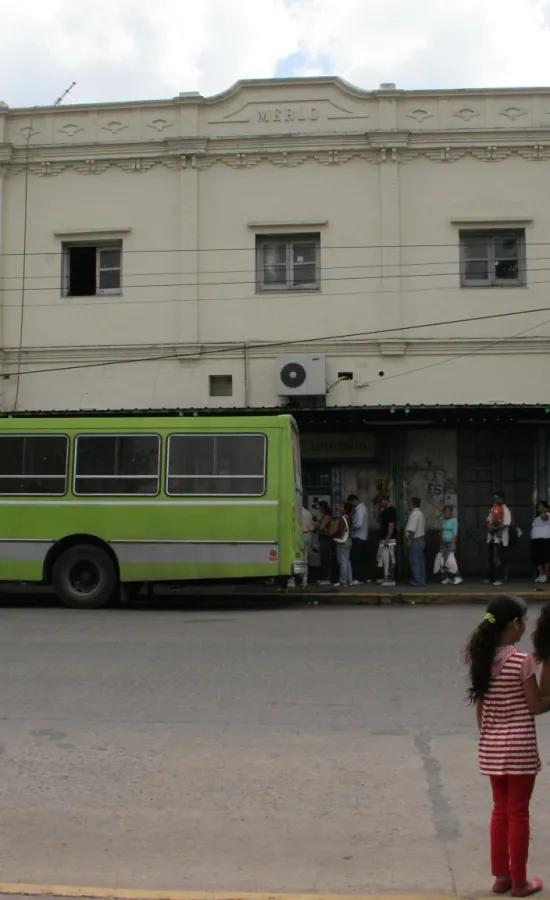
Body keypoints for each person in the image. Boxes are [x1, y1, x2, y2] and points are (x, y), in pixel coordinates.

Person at [464, 595, 550, 897]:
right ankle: (520, 882)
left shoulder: (483, 657)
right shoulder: (520, 660)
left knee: (500, 811)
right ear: (515, 624)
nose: (525, 626)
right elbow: (536, 705)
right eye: (524, 621)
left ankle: (501, 877)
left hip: (492, 747)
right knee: (519, 813)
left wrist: (490, 735)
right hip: (520, 749)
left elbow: (480, 706)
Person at [487, 491, 512, 587]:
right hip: (492, 538)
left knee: (498, 560)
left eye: (497, 498)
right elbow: (488, 521)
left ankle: (499, 578)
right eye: (494, 498)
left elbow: (506, 524)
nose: (495, 500)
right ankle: (492, 578)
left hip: (500, 540)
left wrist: (496, 528)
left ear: (502, 499)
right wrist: (489, 526)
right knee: (492, 559)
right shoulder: (493, 509)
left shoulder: (505, 510)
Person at [347, 494, 368, 585]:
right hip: (361, 537)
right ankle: (363, 577)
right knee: (360, 559)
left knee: (356, 559)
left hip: (358, 537)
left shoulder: (360, 509)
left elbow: (358, 524)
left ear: (353, 501)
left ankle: (359, 578)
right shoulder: (362, 508)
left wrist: (350, 527)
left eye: (351, 503)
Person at [377, 496, 397, 587]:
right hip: (384, 538)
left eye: (380, 502)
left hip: (389, 539)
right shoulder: (385, 510)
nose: (379, 504)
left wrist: (388, 538)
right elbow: (378, 520)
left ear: (385, 500)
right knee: (382, 558)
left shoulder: (391, 511)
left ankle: (391, 579)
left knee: (390, 558)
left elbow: (391, 525)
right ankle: (385, 577)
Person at [440, 504, 463, 586]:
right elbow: (442, 532)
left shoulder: (454, 521)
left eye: (448, 512)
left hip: (450, 543)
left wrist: (453, 545)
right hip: (444, 543)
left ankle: (457, 576)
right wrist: (441, 544)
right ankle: (449, 577)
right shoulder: (443, 521)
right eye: (445, 512)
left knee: (451, 561)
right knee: (446, 561)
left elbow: (454, 534)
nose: (446, 514)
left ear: (451, 513)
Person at [406, 497, 426, 586]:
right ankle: (421, 580)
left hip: (415, 540)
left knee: (414, 561)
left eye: (409, 503)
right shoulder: (421, 513)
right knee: (420, 561)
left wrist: (410, 540)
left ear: (412, 504)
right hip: (421, 539)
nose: (408, 505)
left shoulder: (414, 514)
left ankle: (416, 581)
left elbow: (412, 530)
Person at [332, 501, 353, 588]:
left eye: (341, 507)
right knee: (347, 561)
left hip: (343, 542)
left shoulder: (342, 519)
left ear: (345, 509)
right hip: (348, 540)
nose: (339, 508)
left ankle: (343, 581)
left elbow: (340, 530)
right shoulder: (349, 518)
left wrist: (335, 536)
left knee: (343, 562)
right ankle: (349, 580)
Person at [530, 501, 550, 584]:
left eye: (541, 506)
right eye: (538, 506)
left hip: (545, 538)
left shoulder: (547, 514)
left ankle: (546, 574)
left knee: (546, 557)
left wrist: (545, 510)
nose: (539, 507)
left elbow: (544, 517)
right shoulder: (536, 516)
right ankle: (541, 574)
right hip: (535, 539)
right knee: (537, 558)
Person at [316, 500, 334, 586]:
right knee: (326, 558)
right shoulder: (329, 515)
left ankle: (327, 578)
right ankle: (326, 578)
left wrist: (318, 525)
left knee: (325, 558)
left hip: (325, 539)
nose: (319, 509)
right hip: (327, 539)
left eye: (319, 507)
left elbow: (321, 527)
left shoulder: (326, 516)